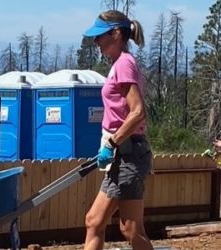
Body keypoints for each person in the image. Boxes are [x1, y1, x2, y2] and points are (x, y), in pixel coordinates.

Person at [82, 10, 153, 250]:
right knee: (94, 221)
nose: (96, 42)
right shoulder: (119, 64)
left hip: (128, 154)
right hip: (122, 154)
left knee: (131, 229)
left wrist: (111, 144)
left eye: (99, 36)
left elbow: (138, 112)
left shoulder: (124, 64)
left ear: (115, 33)